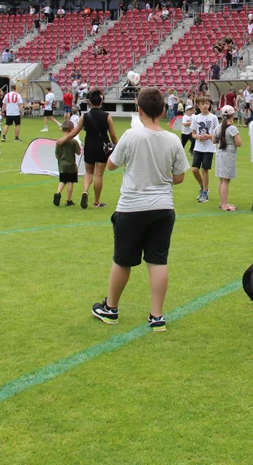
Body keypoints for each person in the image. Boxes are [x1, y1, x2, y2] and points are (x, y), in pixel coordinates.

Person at [91, 88, 189, 331]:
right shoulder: (173, 139)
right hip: (163, 207)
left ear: (139, 109)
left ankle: (111, 308)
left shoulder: (131, 136)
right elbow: (179, 178)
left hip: (132, 206)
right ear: (164, 111)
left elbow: (112, 165)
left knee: (122, 260)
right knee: (158, 261)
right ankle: (157, 316)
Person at [72, 90, 117, 209]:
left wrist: (63, 139)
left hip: (89, 144)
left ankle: (85, 191)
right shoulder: (107, 116)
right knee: (99, 174)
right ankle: (97, 201)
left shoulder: (84, 116)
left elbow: (75, 131)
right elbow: (112, 135)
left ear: (89, 102)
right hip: (102, 146)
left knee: (88, 172)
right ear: (101, 102)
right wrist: (117, 145)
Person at [191, 96, 219, 203]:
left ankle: (205, 193)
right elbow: (193, 133)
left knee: (204, 170)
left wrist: (208, 136)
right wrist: (197, 137)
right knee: (194, 169)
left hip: (209, 148)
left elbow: (216, 134)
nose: (205, 106)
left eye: (207, 103)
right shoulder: (196, 118)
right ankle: (203, 186)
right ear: (198, 105)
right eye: (203, 104)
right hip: (198, 147)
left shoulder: (213, 118)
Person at [215, 105, 242, 211]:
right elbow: (239, 143)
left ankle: (222, 202)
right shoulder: (232, 128)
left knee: (221, 179)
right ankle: (225, 204)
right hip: (228, 155)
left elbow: (213, 140)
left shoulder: (218, 127)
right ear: (232, 115)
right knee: (226, 180)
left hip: (220, 153)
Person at [53, 120, 82, 207]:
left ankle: (58, 193)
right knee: (70, 182)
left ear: (62, 130)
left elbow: (57, 155)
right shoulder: (74, 142)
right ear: (72, 130)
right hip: (71, 165)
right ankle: (68, 200)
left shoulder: (59, 142)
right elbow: (78, 152)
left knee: (62, 181)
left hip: (62, 165)